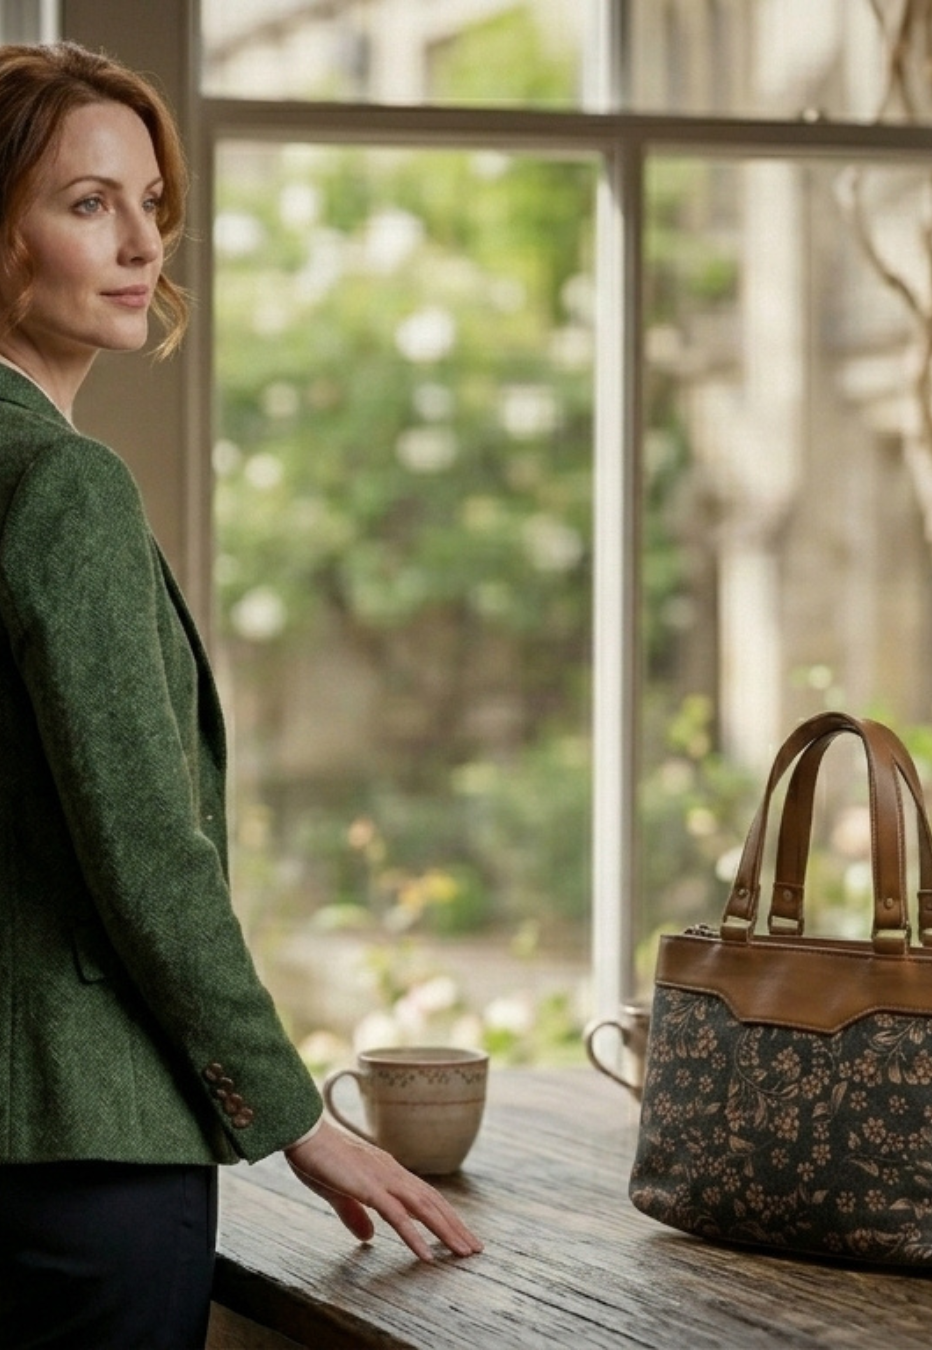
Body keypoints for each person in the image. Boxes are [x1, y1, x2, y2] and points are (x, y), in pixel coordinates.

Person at [0, 40, 482, 1350]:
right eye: (85, 202)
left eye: (150, 203)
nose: (141, 242)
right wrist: (298, 1119)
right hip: (87, 1160)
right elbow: (149, 854)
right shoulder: (62, 489)